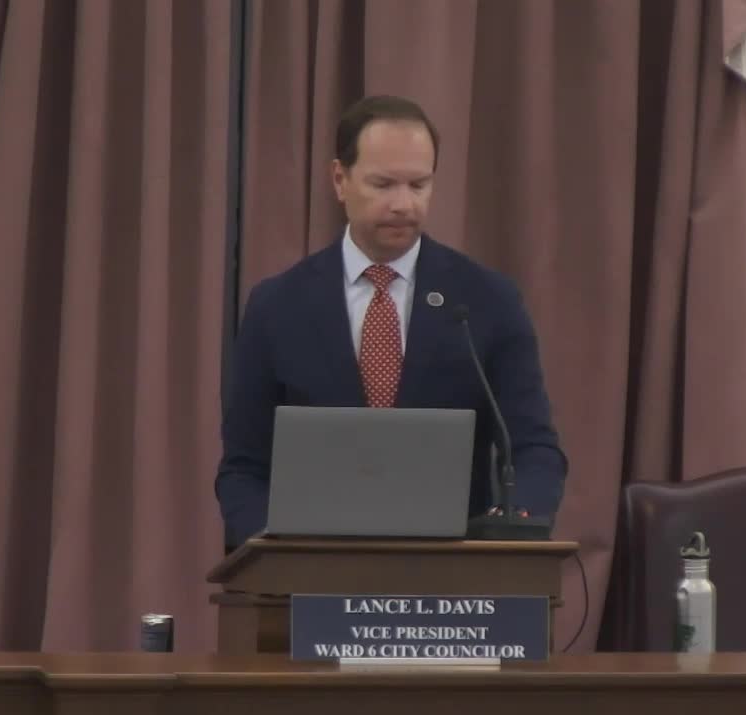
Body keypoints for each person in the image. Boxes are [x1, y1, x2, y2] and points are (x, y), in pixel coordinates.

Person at [215, 95, 568, 551]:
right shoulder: (277, 306)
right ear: (340, 179)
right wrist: (272, 545)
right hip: (310, 565)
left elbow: (534, 448)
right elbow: (243, 469)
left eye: (419, 185)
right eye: (383, 184)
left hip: (453, 569)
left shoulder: (486, 301)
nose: (404, 204)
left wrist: (517, 524)